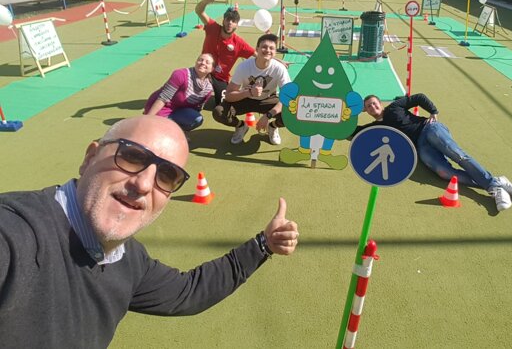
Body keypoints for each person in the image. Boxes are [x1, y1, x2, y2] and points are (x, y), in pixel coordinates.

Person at [0, 115, 299, 347]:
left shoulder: (126, 259)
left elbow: (187, 292)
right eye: (131, 156)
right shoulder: (16, 234)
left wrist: (263, 245)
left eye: (167, 175)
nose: (143, 184)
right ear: (90, 157)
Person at [353, 94, 512, 212]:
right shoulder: (375, 128)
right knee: (444, 173)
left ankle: (493, 186)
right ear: (365, 111)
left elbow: (419, 97)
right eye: (368, 106)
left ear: (380, 103)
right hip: (421, 147)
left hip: (429, 129)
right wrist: (342, 118)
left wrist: (433, 111)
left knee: (458, 155)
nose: (372, 107)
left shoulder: (394, 107)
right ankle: (497, 182)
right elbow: (354, 131)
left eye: (374, 103)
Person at [213, 33, 291, 145]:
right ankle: (241, 126)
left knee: (293, 113)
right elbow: (228, 95)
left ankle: (273, 127)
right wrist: (248, 92)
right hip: (246, 98)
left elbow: (288, 96)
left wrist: (268, 115)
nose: (267, 50)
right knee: (219, 112)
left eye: (271, 48)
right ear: (257, 49)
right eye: (264, 47)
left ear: (275, 52)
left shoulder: (279, 68)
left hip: (268, 99)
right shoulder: (244, 66)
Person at [195, 0, 256, 105]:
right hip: (203, 70)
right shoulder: (212, 27)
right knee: (188, 93)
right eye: (228, 20)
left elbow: (258, 55)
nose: (230, 23)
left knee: (223, 105)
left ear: (237, 25)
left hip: (220, 78)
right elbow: (199, 11)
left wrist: (277, 61)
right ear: (223, 20)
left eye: (233, 21)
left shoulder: (239, 43)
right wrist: (205, 1)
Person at [143, 53, 214, 135]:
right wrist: (148, 119)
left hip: (179, 110)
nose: (203, 63)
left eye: (207, 62)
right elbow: (163, 98)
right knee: (155, 131)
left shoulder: (208, 88)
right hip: (162, 107)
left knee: (197, 119)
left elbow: (197, 108)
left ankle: (177, 132)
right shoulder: (180, 74)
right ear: (196, 62)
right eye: (200, 60)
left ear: (212, 69)